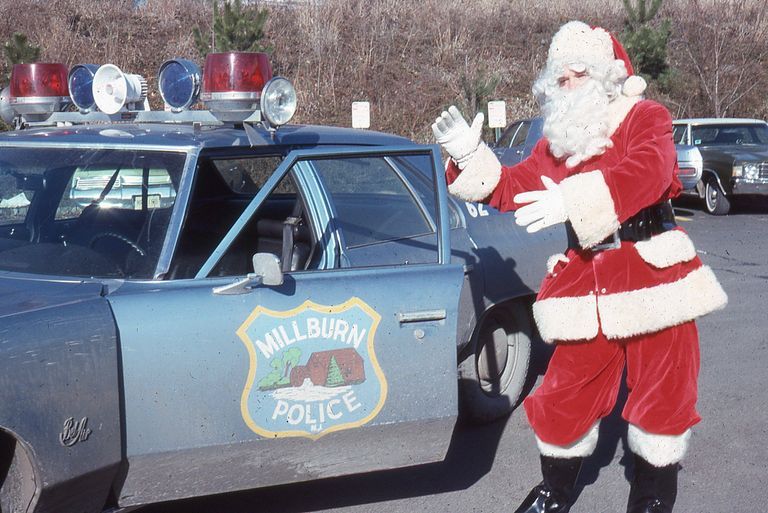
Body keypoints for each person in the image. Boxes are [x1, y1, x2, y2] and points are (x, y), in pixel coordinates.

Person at [432, 21, 727, 513]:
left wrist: (572, 200)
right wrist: (469, 156)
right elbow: (511, 186)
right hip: (586, 282)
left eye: (577, 74)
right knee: (566, 390)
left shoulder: (644, 116)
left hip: (652, 273)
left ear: (606, 75)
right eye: (560, 78)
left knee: (663, 391)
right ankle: (554, 492)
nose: (567, 85)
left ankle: (652, 496)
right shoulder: (558, 142)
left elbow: (650, 172)